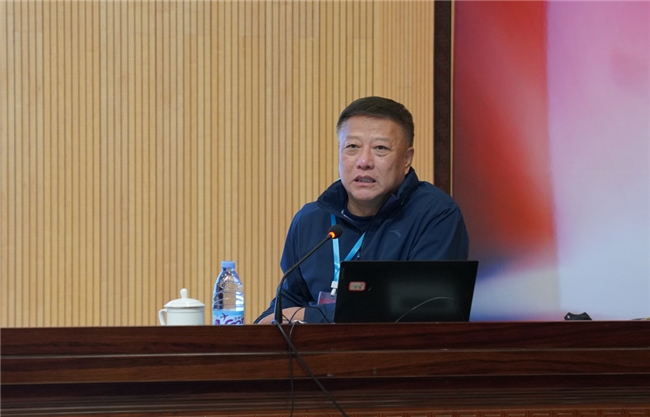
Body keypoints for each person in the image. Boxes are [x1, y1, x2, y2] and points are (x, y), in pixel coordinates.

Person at [256, 96, 469, 324]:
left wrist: (308, 315)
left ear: (407, 159)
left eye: (380, 148)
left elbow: (421, 309)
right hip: (317, 348)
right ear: (339, 152)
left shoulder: (436, 214)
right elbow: (286, 304)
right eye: (353, 147)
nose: (364, 161)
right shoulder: (310, 220)